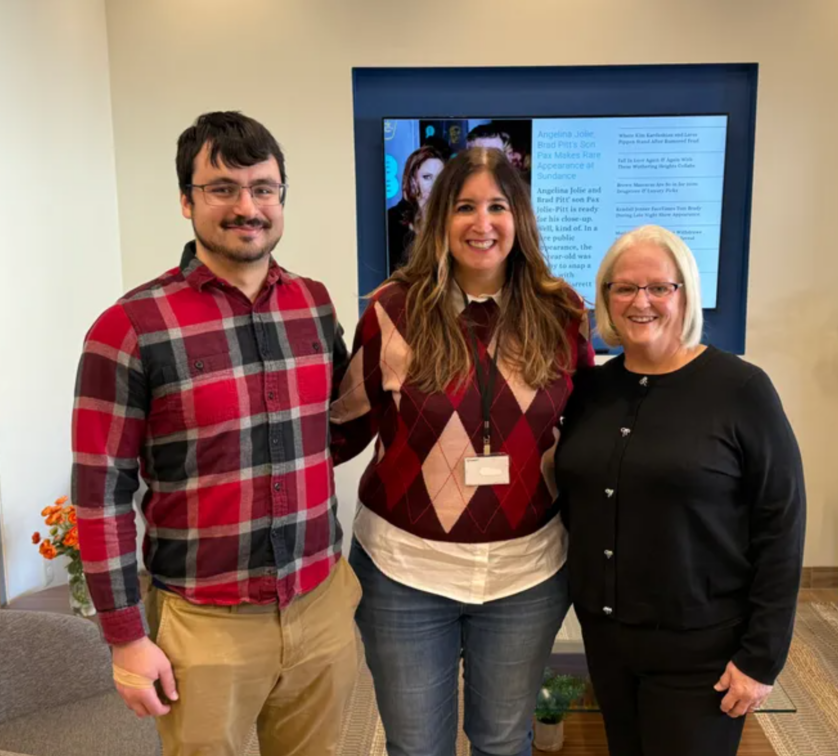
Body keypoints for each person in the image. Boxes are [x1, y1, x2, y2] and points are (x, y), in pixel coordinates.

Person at [71, 111, 360, 756]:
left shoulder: (312, 305)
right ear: (185, 200)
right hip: (204, 624)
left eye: (264, 188)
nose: (247, 206)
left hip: (319, 605)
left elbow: (330, 434)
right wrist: (125, 637)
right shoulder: (129, 328)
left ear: (281, 197)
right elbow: (100, 494)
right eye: (222, 188)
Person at [331, 147, 594, 756]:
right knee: (417, 745)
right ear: (437, 218)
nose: (482, 223)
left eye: (497, 206)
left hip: (526, 573)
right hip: (404, 571)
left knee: (504, 741)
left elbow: (585, 431)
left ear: (519, 218)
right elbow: (341, 427)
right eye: (464, 206)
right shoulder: (393, 312)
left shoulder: (563, 313)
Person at [555, 225, 806, 756]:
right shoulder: (591, 390)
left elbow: (781, 525)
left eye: (658, 287)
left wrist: (761, 658)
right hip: (607, 639)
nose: (639, 301)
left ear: (685, 294)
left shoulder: (740, 389)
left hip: (703, 649)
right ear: (605, 299)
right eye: (623, 288)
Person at [388, 144, 446, 270]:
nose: (435, 185)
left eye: (440, 178)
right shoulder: (390, 221)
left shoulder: (451, 220)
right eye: (427, 177)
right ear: (412, 181)